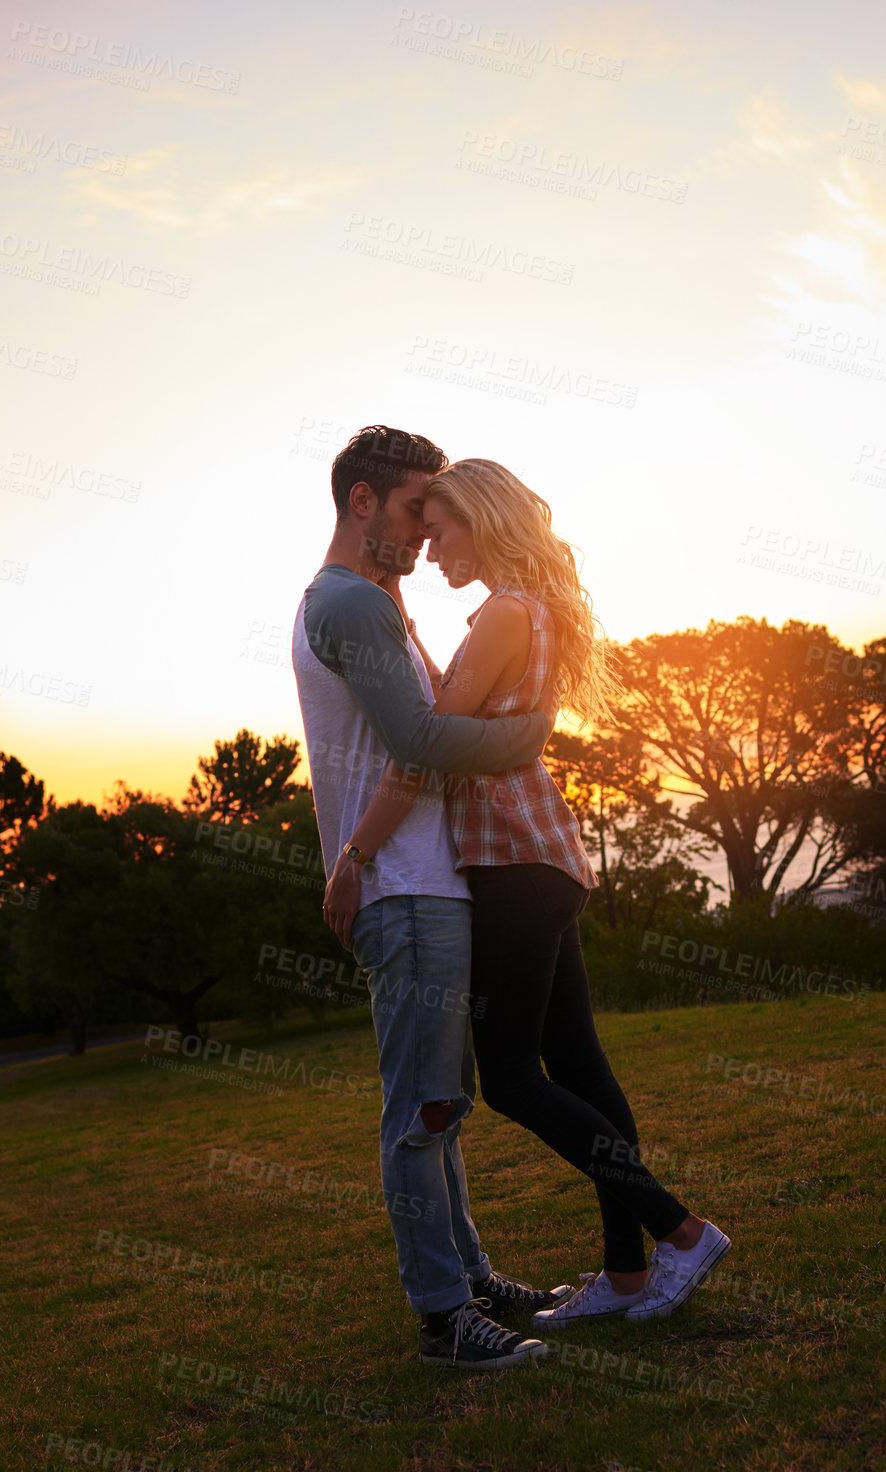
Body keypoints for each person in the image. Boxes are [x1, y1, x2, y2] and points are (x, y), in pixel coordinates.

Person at [323, 458, 730, 1327]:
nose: (431, 551)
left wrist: (354, 853)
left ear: (483, 521)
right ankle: (627, 1274)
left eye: (442, 532)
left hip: (511, 863)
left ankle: (680, 1231)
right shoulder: (523, 611)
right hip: (541, 853)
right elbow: (463, 716)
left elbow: (423, 747)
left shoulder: (507, 614)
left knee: (509, 1078)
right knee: (580, 1066)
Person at [293, 426, 572, 1371]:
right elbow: (417, 737)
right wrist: (527, 734)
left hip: (423, 880)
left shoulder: (376, 602)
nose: (427, 527)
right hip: (404, 888)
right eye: (416, 506)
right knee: (422, 1110)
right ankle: (444, 1318)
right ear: (362, 502)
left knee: (443, 1103)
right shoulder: (350, 605)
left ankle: (472, 1276)